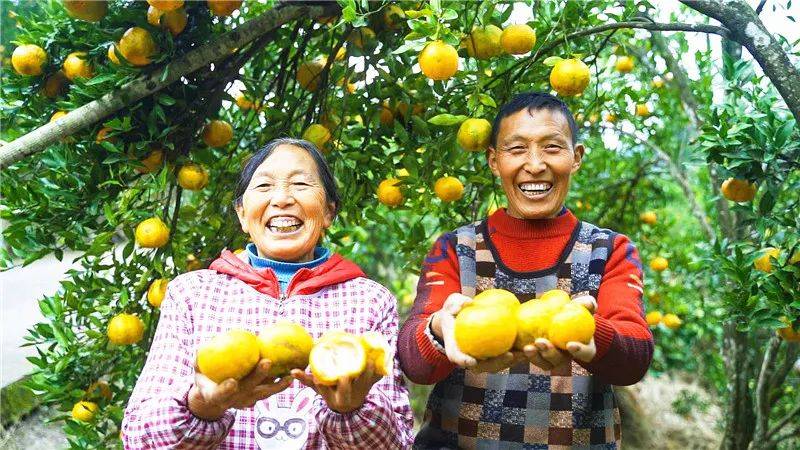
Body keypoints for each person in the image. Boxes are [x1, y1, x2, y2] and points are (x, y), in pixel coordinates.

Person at [398, 92, 654, 448]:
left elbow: (635, 359)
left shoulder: (609, 251)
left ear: (575, 157)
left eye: (551, 147)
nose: (534, 165)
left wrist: (590, 333)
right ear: (493, 160)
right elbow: (415, 362)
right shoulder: (456, 249)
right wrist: (440, 329)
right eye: (516, 149)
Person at [123, 138, 413, 449]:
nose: (282, 198)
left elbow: (398, 443)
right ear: (242, 215)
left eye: (301, 183)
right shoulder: (192, 294)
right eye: (264, 186)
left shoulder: (369, 301)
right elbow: (138, 437)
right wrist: (201, 407)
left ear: (329, 212)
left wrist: (351, 410)